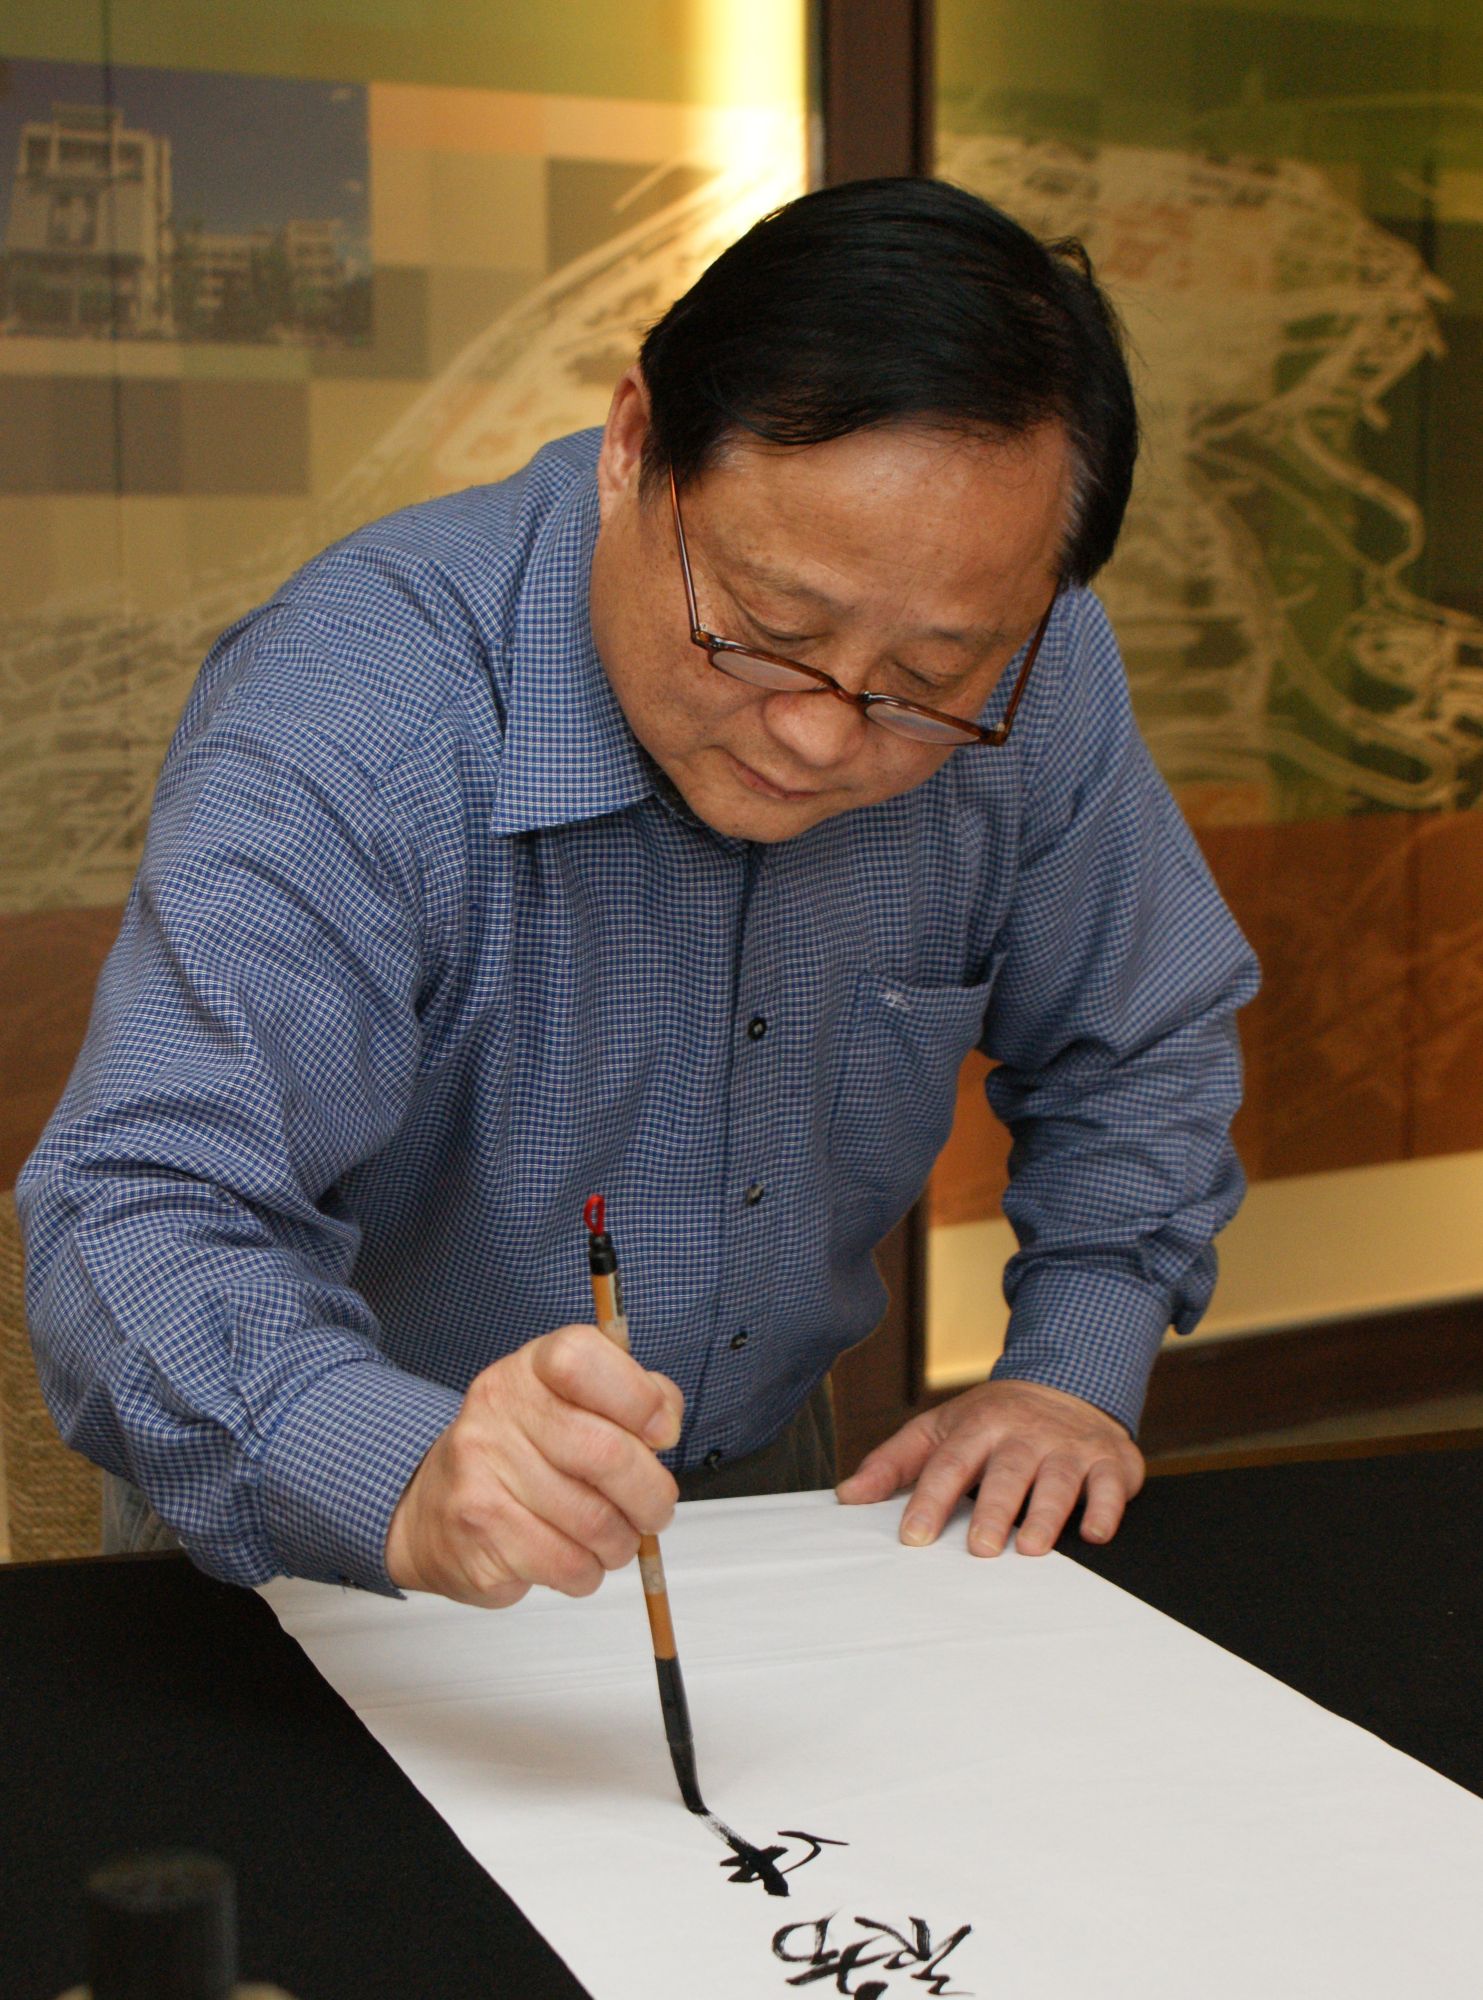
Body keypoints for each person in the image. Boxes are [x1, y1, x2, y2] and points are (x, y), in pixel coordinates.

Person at [18, 177, 1258, 1608]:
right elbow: (142, 1204)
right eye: (770, 630)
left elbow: (1141, 1042)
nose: (823, 731)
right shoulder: (357, 706)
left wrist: (1072, 1366)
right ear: (631, 447)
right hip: (337, 1516)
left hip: (759, 1482)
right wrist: (406, 1472)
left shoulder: (1031, 675)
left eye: (924, 682)